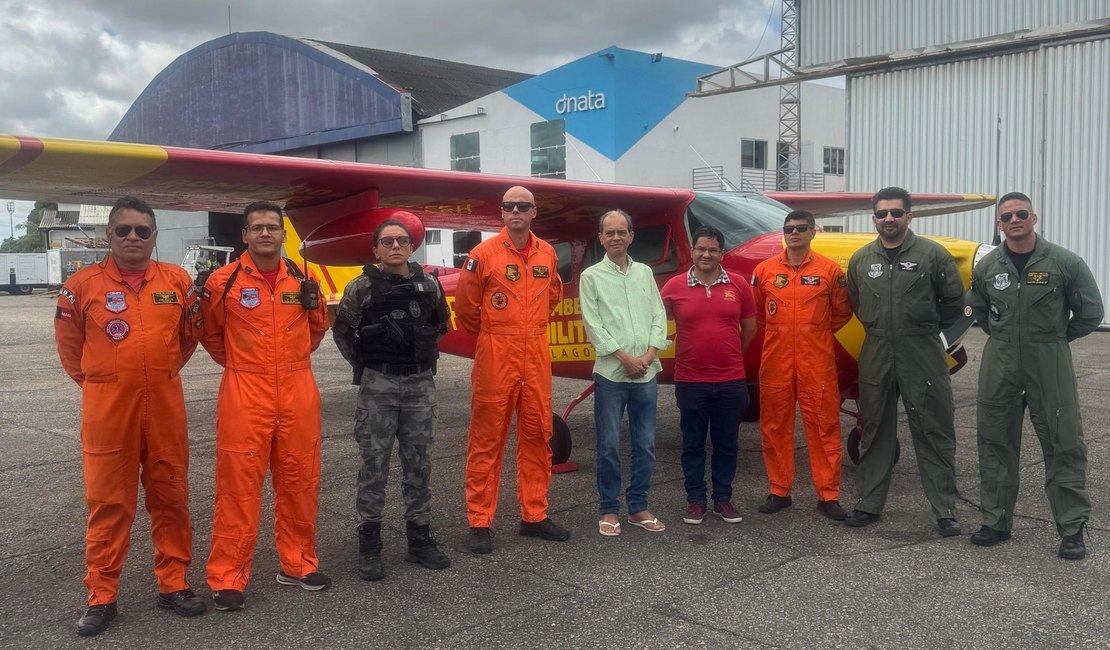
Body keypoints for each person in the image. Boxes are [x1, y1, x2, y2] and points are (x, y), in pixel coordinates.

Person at [54, 196, 206, 637]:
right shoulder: (81, 285)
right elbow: (70, 348)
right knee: (108, 504)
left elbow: (190, 335)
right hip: (108, 412)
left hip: (164, 408)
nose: (134, 238)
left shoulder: (177, 281)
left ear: (155, 236)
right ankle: (102, 596)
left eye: (143, 230)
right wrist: (104, 384)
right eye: (124, 230)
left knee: (171, 498)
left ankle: (173, 583)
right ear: (109, 236)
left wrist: (160, 373)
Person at [199, 201, 330, 611]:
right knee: (238, 487)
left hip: (298, 389)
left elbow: (316, 328)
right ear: (244, 235)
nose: (265, 234)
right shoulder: (223, 281)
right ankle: (228, 577)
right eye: (257, 228)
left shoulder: (304, 277)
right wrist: (247, 367)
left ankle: (298, 563)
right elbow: (212, 334)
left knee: (300, 480)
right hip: (245, 391)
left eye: (272, 227)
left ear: (283, 234)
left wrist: (287, 364)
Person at [968, 192, 1103, 559]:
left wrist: (1056, 339)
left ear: (1034, 217)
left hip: (1049, 359)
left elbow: (1091, 311)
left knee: (1064, 442)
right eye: (1006, 216)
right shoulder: (988, 266)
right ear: (999, 224)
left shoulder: (1064, 262)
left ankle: (1072, 528)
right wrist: (1008, 339)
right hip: (1001, 361)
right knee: (995, 440)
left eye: (1021, 213)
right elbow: (980, 310)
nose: (1014, 220)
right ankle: (995, 521)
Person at [333, 220, 452, 580]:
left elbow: (441, 325)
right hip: (379, 384)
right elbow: (342, 333)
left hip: (419, 383)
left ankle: (419, 539)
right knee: (374, 467)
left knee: (419, 465)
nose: (396, 246)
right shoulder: (361, 287)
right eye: (388, 241)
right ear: (376, 250)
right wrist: (369, 366)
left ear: (411, 246)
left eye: (402, 240)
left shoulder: (429, 285)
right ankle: (370, 545)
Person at [455, 185, 569, 553]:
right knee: (487, 438)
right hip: (496, 351)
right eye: (509, 206)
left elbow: (553, 297)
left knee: (538, 433)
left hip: (535, 350)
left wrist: (526, 330)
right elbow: (468, 308)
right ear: (501, 213)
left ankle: (534, 515)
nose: (516, 211)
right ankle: (479, 521)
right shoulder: (482, 254)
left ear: (534, 212)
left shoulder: (547, 253)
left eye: (523, 206)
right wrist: (497, 336)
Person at [845, 187, 964, 535]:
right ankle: (868, 504)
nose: (889, 219)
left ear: (909, 216)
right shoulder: (862, 259)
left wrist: (922, 332)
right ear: (874, 219)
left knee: (935, 430)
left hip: (922, 350)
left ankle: (944, 509)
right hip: (877, 350)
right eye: (882, 214)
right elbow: (856, 300)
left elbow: (953, 306)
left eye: (896, 213)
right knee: (874, 429)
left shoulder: (933, 256)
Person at [751, 211, 853, 520]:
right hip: (776, 359)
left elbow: (842, 312)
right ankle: (779, 490)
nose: (793, 233)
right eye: (788, 228)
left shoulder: (830, 271)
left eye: (800, 228)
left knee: (824, 426)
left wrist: (814, 334)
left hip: (816, 360)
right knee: (774, 426)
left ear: (813, 232)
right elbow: (760, 314)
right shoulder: (765, 270)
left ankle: (828, 494)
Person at [579, 210, 669, 537]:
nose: (616, 237)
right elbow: (594, 324)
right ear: (600, 238)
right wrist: (623, 357)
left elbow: (659, 315)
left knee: (645, 444)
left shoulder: (645, 273)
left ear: (631, 236)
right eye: (609, 233)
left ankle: (637, 506)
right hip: (611, 375)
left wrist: (647, 355)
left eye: (622, 232)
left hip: (646, 372)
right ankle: (608, 509)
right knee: (608, 446)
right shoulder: (590, 277)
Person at [661, 225, 757, 526]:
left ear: (721, 253)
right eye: (701, 248)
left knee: (727, 443)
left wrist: (729, 354)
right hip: (690, 381)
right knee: (692, 443)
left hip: (730, 380)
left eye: (712, 249)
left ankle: (723, 499)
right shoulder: (674, 286)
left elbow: (750, 328)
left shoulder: (739, 285)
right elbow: (654, 321)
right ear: (692, 251)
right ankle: (695, 500)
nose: (706, 254)